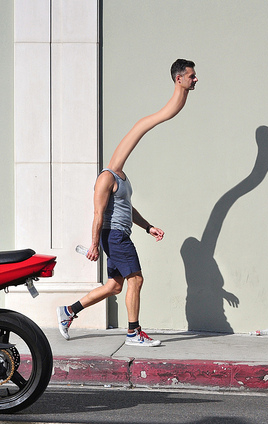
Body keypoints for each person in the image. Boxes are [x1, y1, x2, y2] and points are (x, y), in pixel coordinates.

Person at [56, 59, 198, 346]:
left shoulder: (120, 178)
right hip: (115, 237)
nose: (196, 80)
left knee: (115, 286)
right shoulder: (105, 179)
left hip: (122, 233)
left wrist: (148, 227)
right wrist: (95, 244)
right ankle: (133, 333)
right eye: (192, 77)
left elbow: (126, 209)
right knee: (137, 280)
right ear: (179, 77)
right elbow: (98, 215)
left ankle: (68, 311)